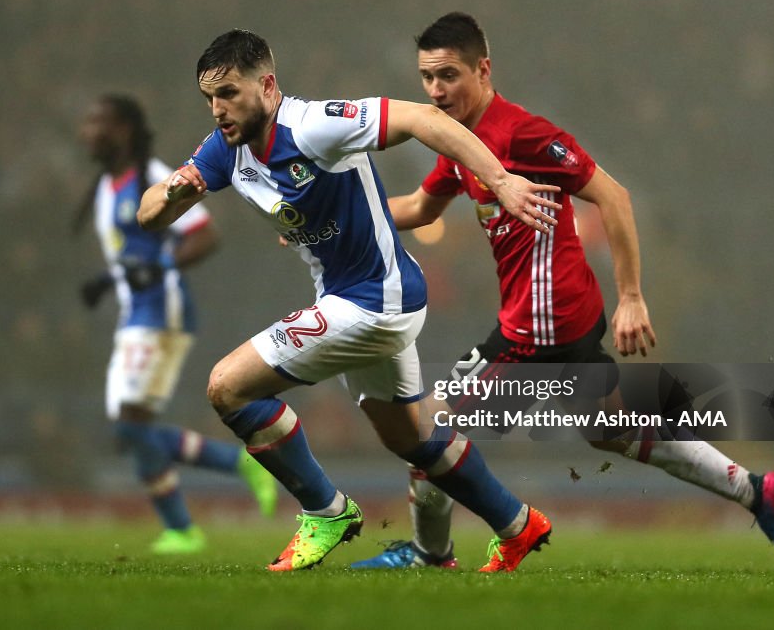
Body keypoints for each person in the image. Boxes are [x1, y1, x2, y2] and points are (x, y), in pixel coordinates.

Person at [350, 12, 774, 572]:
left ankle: (430, 553)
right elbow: (421, 208)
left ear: (483, 70)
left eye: (448, 76)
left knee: (429, 429)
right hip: (559, 314)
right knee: (611, 429)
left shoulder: (523, 134)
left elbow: (613, 196)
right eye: (427, 78)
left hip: (542, 322)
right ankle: (761, 494)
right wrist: (346, 219)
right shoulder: (459, 144)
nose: (435, 91)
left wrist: (632, 296)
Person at [137, 29, 564, 572]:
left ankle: (325, 511)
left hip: (374, 303)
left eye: (229, 94)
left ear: (267, 86)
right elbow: (150, 213)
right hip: (362, 298)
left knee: (229, 388)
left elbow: (423, 119)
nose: (219, 109)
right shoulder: (225, 149)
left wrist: (500, 180)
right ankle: (517, 524)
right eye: (210, 99)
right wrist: (174, 192)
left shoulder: (314, 126)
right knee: (410, 437)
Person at [75, 94, 277, 555]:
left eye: (97, 122)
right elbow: (134, 256)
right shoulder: (108, 185)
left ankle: (187, 522)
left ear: (124, 129)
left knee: (130, 425)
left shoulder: (151, 177)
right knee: (132, 427)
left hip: (160, 311)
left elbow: (204, 235)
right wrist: (109, 282)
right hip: (136, 313)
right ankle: (219, 487)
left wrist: (160, 269)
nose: (87, 132)